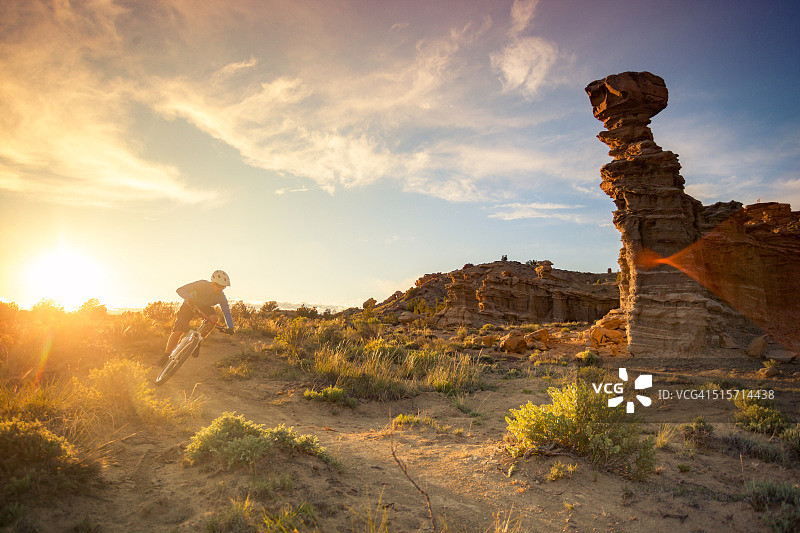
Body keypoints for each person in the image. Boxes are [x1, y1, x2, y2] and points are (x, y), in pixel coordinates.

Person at [158, 270, 234, 367]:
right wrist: (189, 298)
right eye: (219, 286)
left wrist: (230, 327)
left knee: (214, 318)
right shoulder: (202, 284)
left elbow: (226, 312)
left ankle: (197, 342)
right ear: (212, 283)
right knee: (179, 331)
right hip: (189, 306)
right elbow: (180, 290)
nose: (221, 289)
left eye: (223, 287)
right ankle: (166, 355)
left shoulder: (221, 297)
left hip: (204, 308)